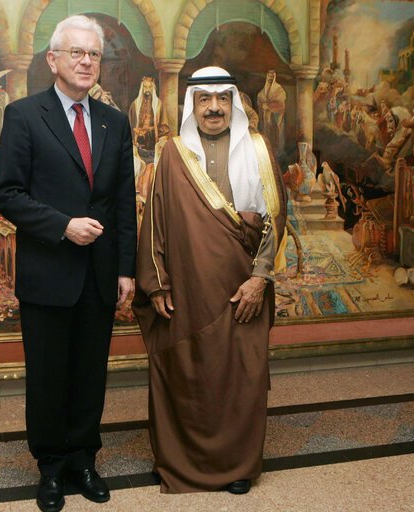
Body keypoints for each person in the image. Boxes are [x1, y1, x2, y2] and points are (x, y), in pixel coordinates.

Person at [0, 15, 136, 512]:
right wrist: (62, 225)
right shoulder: (24, 116)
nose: (86, 61)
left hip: (99, 274)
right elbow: (6, 194)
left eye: (94, 54)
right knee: (49, 375)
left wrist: (125, 269)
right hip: (48, 272)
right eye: (76, 52)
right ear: (52, 60)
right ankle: (51, 468)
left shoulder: (114, 122)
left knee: (90, 373)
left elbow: (122, 202)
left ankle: (84, 459)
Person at [133, 66, 288, 494]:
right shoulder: (173, 153)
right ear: (192, 105)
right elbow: (155, 224)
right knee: (183, 371)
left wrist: (259, 280)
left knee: (242, 376)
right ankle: (176, 460)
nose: (215, 108)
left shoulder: (257, 148)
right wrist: (157, 283)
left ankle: (237, 465)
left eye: (223, 98)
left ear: (234, 102)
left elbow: (276, 220)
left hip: (243, 290)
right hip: (185, 289)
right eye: (205, 99)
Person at [256, 69, 286, 154]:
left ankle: (277, 152)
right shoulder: (263, 90)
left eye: (272, 76)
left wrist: (268, 106)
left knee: (275, 136)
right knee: (266, 134)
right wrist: (263, 105)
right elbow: (260, 98)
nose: (270, 78)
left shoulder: (279, 89)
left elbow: (280, 104)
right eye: (269, 76)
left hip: (275, 118)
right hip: (266, 119)